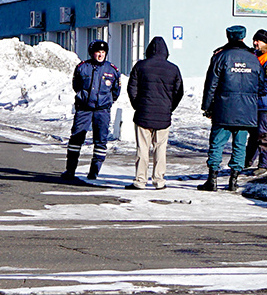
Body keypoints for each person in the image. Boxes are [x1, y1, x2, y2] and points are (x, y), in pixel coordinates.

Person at [201, 25, 263, 192]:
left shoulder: (220, 56)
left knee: (217, 144)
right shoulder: (253, 58)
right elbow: (262, 84)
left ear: (228, 37)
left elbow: (211, 85)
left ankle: (212, 180)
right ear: (243, 37)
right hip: (246, 110)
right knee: (240, 145)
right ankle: (233, 181)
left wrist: (207, 106)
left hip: (224, 109)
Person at [125, 36, 184, 190]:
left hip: (143, 113)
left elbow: (131, 88)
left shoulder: (140, 66)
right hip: (163, 115)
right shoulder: (173, 68)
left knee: (142, 149)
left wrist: (137, 105)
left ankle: (140, 180)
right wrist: (169, 108)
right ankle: (159, 180)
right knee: (160, 149)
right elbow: (179, 92)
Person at [63, 39, 122, 182]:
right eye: (98, 52)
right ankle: (70, 170)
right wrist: (83, 98)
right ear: (92, 53)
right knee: (76, 138)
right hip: (84, 109)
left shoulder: (112, 70)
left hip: (102, 110)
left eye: (103, 52)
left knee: (100, 140)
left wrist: (106, 101)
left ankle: (94, 172)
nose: (100, 55)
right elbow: (76, 85)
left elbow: (115, 91)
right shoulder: (83, 67)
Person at [245, 30, 267, 173]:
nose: (255, 43)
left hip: (266, 103)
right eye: (254, 40)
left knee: (264, 134)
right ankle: (247, 161)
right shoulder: (259, 55)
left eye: (258, 41)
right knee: (255, 134)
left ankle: (266, 164)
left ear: (265, 42)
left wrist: (255, 93)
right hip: (258, 103)